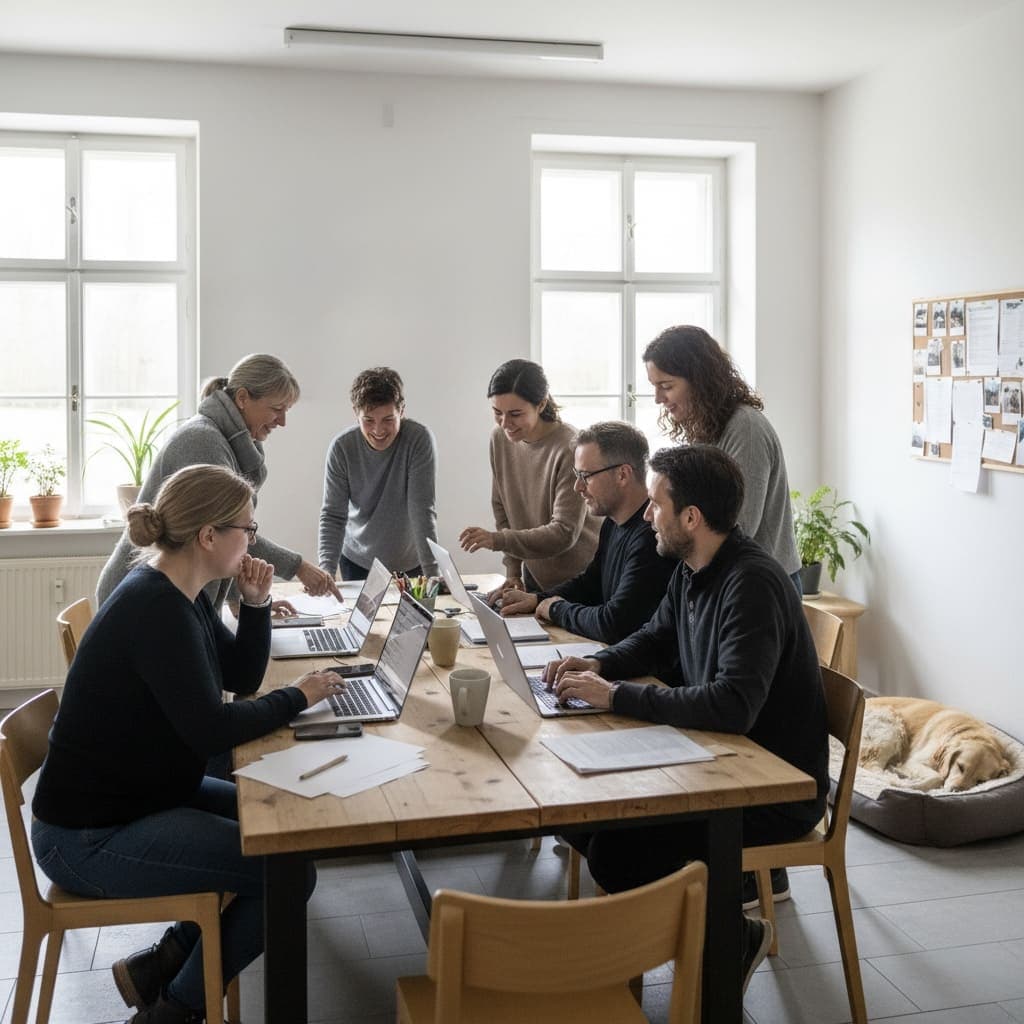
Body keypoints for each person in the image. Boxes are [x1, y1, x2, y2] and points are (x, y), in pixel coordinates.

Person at [31, 465, 344, 1024]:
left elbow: (243, 678)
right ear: (209, 536)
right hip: (87, 837)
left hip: (140, 798)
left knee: (289, 845)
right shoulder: (156, 610)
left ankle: (161, 965)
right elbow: (212, 731)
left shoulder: (182, 592)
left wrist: (254, 603)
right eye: (248, 529)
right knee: (286, 875)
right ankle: (173, 1011)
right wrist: (299, 696)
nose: (252, 539)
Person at [544, 445, 828, 992]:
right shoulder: (693, 565)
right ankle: (710, 931)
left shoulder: (752, 584)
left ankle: (720, 940)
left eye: (655, 505)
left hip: (770, 786)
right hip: (714, 758)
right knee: (576, 810)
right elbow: (654, 637)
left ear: (691, 518)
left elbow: (731, 705)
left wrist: (616, 696)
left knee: (619, 845)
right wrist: (598, 662)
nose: (647, 515)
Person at [96, 353, 339, 612]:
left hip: (162, 597)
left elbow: (220, 543)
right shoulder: (204, 443)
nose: (282, 421)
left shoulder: (224, 441)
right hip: (141, 603)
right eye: (276, 409)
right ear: (243, 398)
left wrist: (248, 602)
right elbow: (228, 531)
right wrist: (298, 566)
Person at [643, 325, 802, 589]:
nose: (658, 398)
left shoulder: (746, 429)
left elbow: (737, 526)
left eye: (666, 386)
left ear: (699, 379)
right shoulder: (706, 427)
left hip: (761, 589)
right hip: (731, 580)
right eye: (655, 386)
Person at [499, 421, 675, 644]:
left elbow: (615, 624)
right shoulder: (613, 522)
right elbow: (591, 583)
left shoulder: (652, 537)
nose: (578, 487)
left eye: (586, 476)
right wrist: (537, 599)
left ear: (623, 474)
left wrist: (556, 609)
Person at [459, 359, 601, 601]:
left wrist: (497, 540)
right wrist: (513, 572)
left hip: (581, 582)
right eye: (497, 413)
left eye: (515, 414)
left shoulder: (569, 447)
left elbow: (564, 532)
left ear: (541, 404)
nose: (505, 423)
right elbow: (503, 509)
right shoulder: (501, 439)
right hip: (534, 577)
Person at [318, 366, 438, 581]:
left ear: (401, 411)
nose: (378, 430)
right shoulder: (342, 448)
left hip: (411, 562)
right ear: (356, 413)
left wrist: (432, 574)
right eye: (369, 420)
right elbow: (333, 515)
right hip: (358, 561)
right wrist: (326, 570)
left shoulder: (418, 440)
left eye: (388, 420)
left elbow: (421, 509)